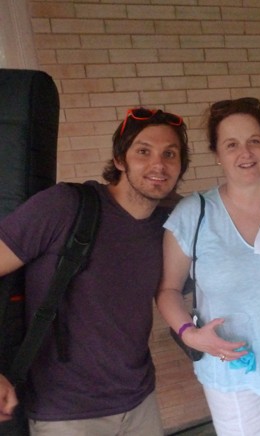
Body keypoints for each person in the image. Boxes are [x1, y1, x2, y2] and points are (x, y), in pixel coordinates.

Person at [0, 107, 190, 435]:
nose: (158, 165)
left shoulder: (169, 226)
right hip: (65, 414)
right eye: (143, 151)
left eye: (169, 154)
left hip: (139, 402)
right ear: (119, 159)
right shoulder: (63, 206)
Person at [156, 97, 260, 436]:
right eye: (231, 145)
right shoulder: (194, 214)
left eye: (254, 141)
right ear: (217, 154)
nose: (245, 153)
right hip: (230, 369)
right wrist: (190, 336)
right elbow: (168, 290)